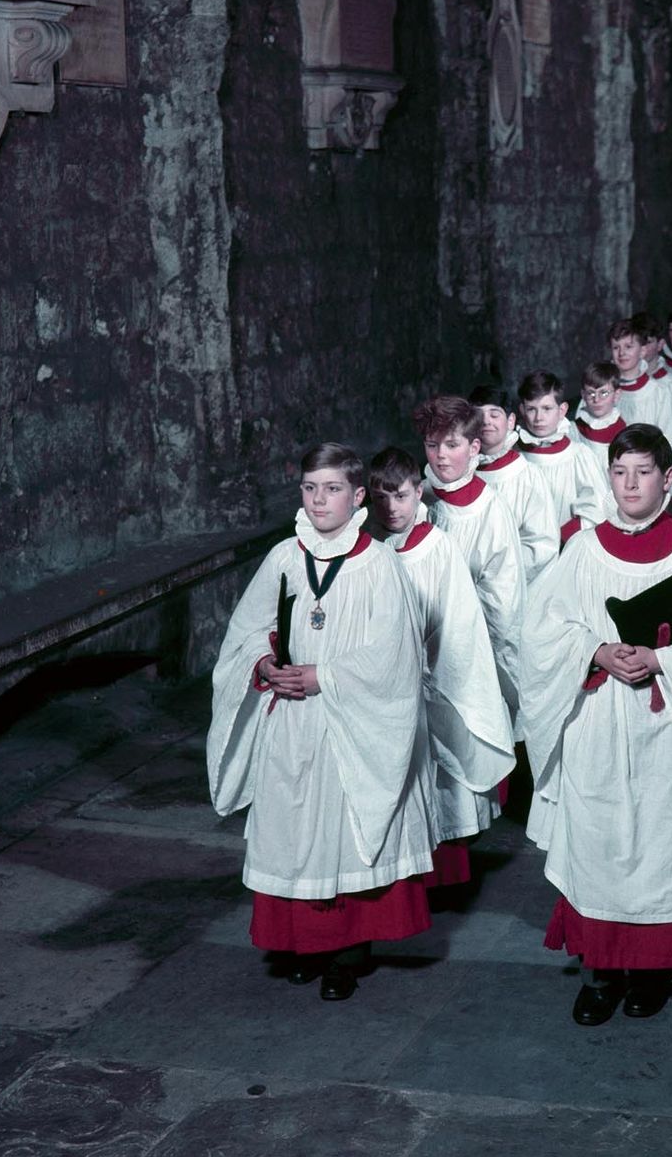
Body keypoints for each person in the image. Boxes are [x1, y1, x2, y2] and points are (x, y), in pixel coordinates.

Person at [521, 423, 672, 1025]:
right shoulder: (583, 548)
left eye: (644, 472)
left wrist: (663, 659)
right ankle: (599, 974)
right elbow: (543, 631)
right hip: (597, 722)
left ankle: (652, 973)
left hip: (668, 727)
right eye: (620, 472)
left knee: (661, 844)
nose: (630, 484)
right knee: (598, 844)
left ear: (667, 478)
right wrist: (595, 652)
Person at [207, 442, 436, 1002]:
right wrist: (263, 664)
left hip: (352, 726)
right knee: (295, 830)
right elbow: (245, 632)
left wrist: (323, 678)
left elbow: (395, 657)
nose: (319, 500)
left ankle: (349, 953)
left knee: (345, 835)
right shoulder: (285, 557)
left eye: (332, 489)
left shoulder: (380, 565)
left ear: (359, 496)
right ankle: (306, 945)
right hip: (292, 720)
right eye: (310, 488)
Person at [368, 447, 515, 888]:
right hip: (384, 682)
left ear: (420, 492)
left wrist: (427, 667)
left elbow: (458, 624)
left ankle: (443, 871)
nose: (391, 509)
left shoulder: (439, 548)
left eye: (401, 496)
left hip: (432, 676)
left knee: (438, 773)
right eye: (380, 498)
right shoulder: (371, 548)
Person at [415, 396, 527, 725]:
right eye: (432, 445)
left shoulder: (490, 510)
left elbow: (504, 601)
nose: (441, 456)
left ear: (474, 447)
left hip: (474, 638)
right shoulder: (418, 499)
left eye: (452, 444)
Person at [468, 383, 560, 584]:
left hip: (512, 584)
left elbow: (541, 545)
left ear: (510, 421)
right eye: (478, 415)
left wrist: (496, 577)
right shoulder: (463, 475)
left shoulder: (528, 476)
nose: (486, 422)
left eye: (494, 414)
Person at [516, 369, 611, 540]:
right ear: (522, 410)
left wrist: (559, 539)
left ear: (562, 410)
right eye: (531, 409)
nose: (539, 418)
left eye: (547, 408)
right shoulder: (514, 456)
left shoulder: (579, 456)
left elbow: (596, 508)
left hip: (566, 545)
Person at [610, 315, 672, 451]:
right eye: (616, 347)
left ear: (642, 351)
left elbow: (670, 442)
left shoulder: (660, 394)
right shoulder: (603, 393)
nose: (622, 353)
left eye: (628, 346)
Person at [573, 360, 627, 447]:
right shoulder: (574, 429)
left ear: (616, 395)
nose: (596, 400)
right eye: (591, 393)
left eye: (604, 393)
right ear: (583, 395)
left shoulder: (622, 432)